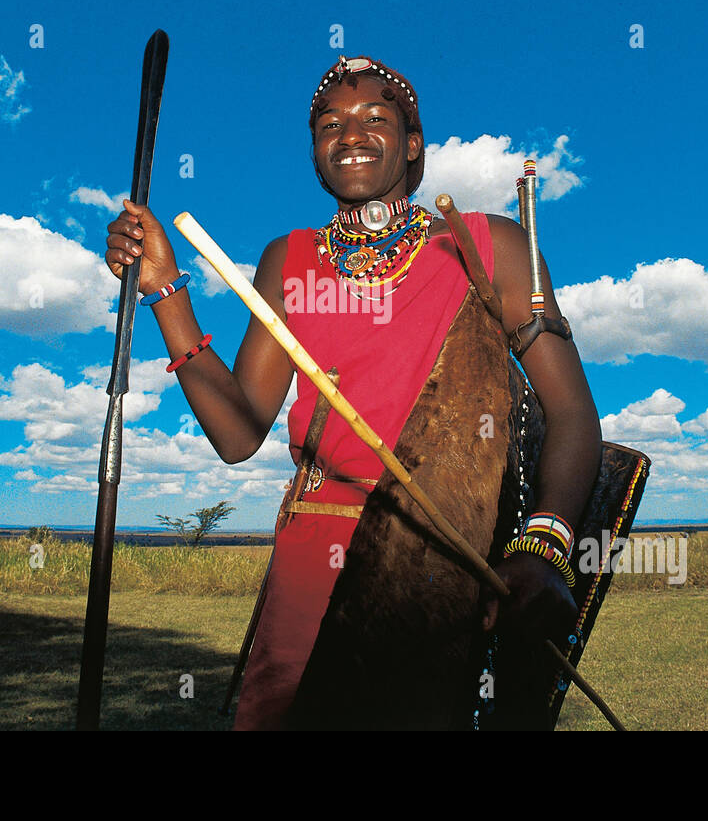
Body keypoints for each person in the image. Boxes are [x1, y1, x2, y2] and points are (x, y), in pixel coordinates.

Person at [106, 55, 602, 729]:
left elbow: (571, 411)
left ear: (413, 143)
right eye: (329, 125)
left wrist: (544, 547)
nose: (350, 133)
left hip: (444, 569)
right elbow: (238, 431)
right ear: (314, 152)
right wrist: (166, 289)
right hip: (309, 571)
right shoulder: (289, 257)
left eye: (375, 118)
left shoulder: (489, 244)